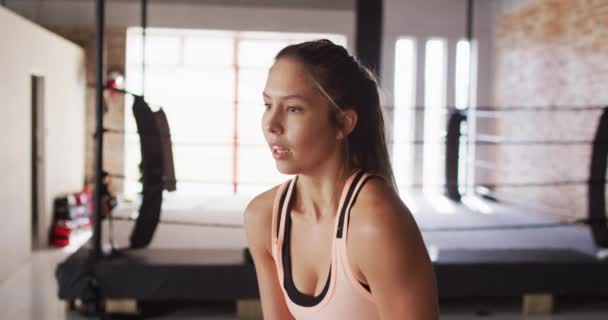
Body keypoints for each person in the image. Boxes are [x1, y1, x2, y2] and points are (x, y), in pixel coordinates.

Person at [244, 39, 438, 320]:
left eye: (293, 108)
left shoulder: (375, 221)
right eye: (267, 104)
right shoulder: (263, 218)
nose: (271, 125)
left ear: (344, 123)